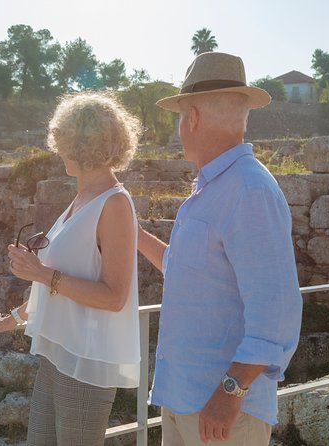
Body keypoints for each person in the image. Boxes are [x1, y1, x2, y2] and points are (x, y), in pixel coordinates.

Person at [138, 52, 303, 445]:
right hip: (186, 403)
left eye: (180, 117)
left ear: (192, 116)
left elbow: (276, 309)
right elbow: (190, 275)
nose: (180, 128)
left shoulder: (249, 190)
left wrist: (230, 392)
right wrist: (133, 235)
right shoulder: (217, 189)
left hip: (223, 414)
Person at [0, 92, 142, 446]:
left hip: (85, 362)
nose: (58, 150)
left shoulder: (114, 204)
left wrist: (41, 273)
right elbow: (58, 287)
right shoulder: (83, 198)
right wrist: (11, 320)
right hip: (57, 354)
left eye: (62, 141)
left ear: (79, 144)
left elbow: (114, 296)